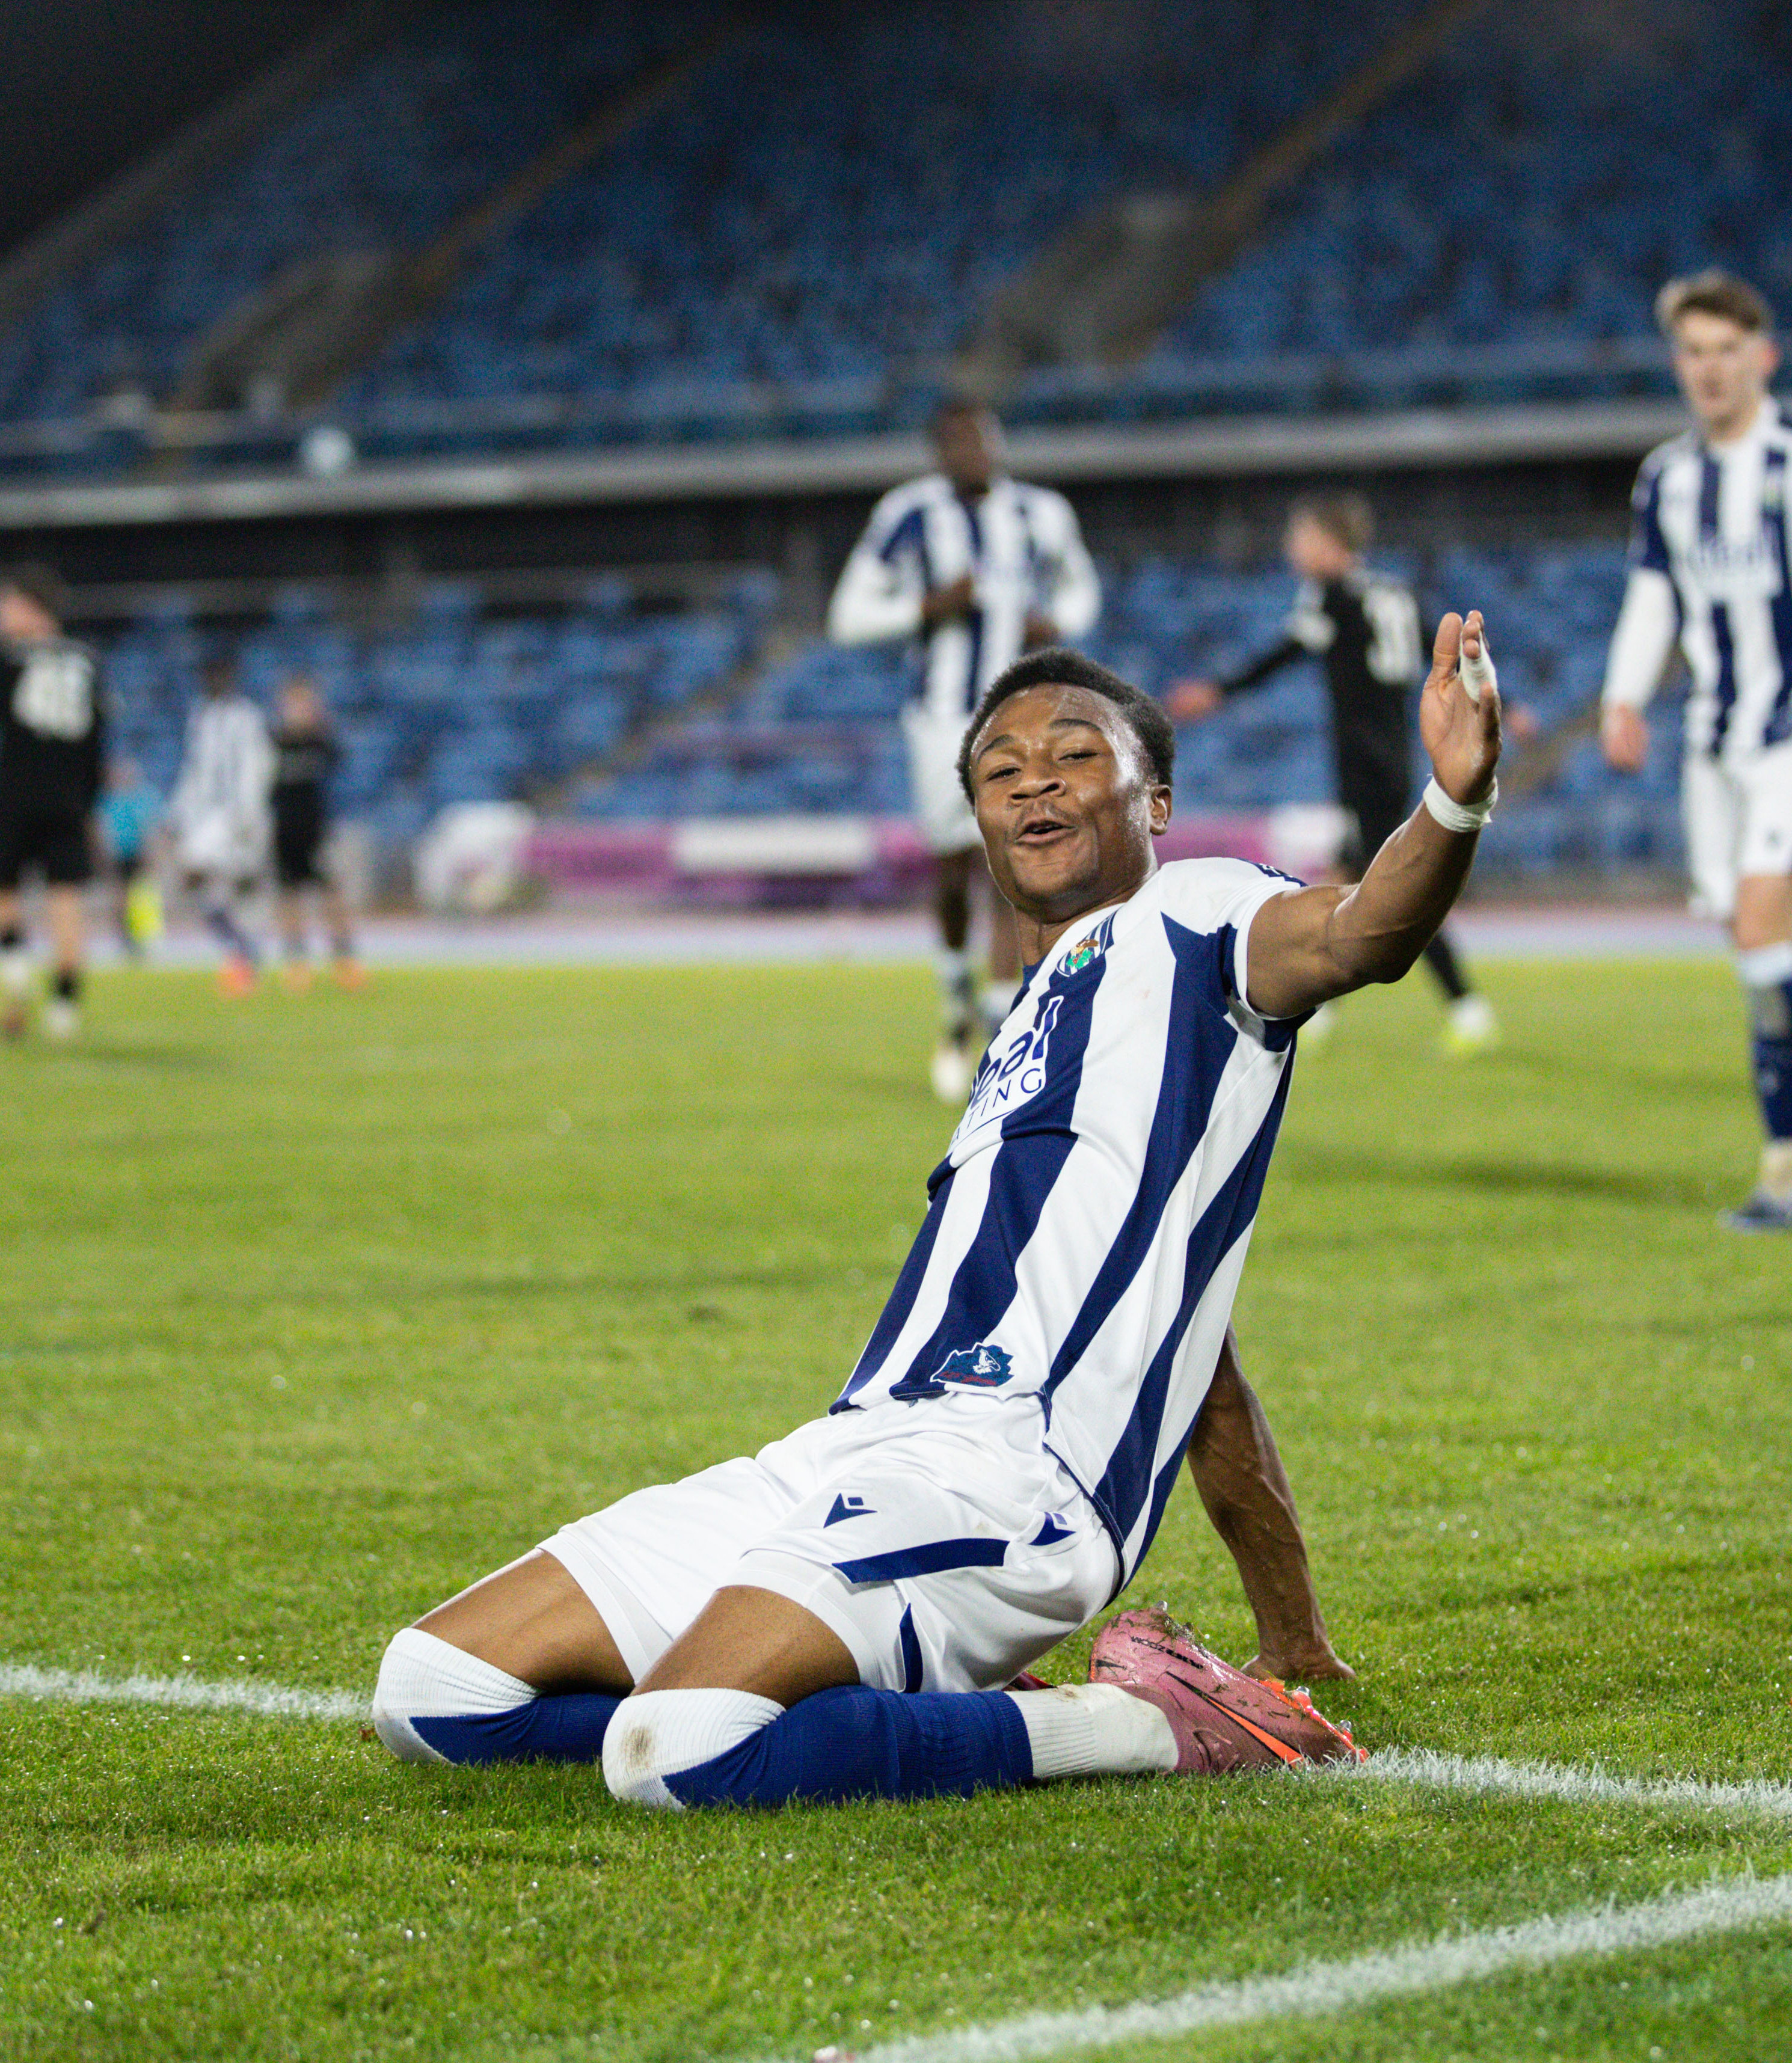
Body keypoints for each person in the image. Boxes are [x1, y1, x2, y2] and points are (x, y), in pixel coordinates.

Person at [371, 618, 1507, 1810]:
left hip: (1011, 1476)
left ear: (1156, 800)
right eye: (1000, 769)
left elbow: (1362, 928)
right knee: (433, 1688)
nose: (1034, 781)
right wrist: (1294, 1634)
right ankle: (901, 1699)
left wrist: (1451, 800)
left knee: (683, 1749)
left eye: (1074, 754)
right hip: (846, 1446)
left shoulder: (1197, 921)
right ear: (978, 820)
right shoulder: (1025, 1028)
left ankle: (1139, 1724)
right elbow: (1197, 1361)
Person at [1597, 272, 1792, 1231]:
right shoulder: (1667, 477)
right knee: (1755, 945)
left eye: (1726, 350)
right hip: (1714, 747)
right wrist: (1621, 694)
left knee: (1757, 922)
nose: (1709, 369)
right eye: (1692, 352)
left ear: (1762, 357)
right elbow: (1653, 596)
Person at [1168, 492, 1510, 1056]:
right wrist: (1509, 703)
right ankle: (1318, 1006)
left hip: (1364, 762)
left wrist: (1218, 691)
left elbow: (1284, 653)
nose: (1292, 548)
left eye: (1300, 537)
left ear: (1329, 544)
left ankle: (1467, 1008)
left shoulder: (1332, 596)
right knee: (1343, 879)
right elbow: (1443, 648)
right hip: (1393, 753)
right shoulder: (1392, 590)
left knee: (1400, 889)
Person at [827, 401, 1100, 1102]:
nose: (972, 450)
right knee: (953, 871)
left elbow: (1082, 590)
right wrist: (923, 608)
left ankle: (1003, 1026)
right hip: (942, 719)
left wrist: (1058, 622)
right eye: (955, 440)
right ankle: (956, 1003)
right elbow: (847, 617)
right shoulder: (908, 514)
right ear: (937, 452)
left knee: (1014, 860)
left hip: (1026, 716)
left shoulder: (1041, 513)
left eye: (980, 435)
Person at [0, 566, 106, 1041]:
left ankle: (15, 993)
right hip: (69, 800)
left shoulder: (5, 659)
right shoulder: (88, 661)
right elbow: (96, 745)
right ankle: (64, 1010)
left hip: (16, 794)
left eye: (6, 605)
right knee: (66, 901)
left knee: (2, 894)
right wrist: (91, 805)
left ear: (31, 608)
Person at [169, 655, 273, 996]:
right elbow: (193, 769)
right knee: (209, 887)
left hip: (232, 814)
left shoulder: (247, 716)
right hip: (203, 815)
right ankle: (243, 953)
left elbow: (257, 765)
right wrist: (179, 813)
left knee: (202, 873)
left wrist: (249, 812)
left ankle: (242, 953)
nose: (214, 682)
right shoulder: (200, 716)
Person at [267, 674, 361, 991]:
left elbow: (341, 762)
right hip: (283, 828)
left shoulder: (321, 739)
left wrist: (322, 726)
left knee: (331, 893)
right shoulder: (272, 740)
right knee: (289, 895)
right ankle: (297, 963)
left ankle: (345, 961)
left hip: (317, 828)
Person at [97, 758, 164, 960]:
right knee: (120, 898)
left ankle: (145, 937)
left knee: (142, 896)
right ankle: (126, 938)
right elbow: (103, 827)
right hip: (119, 855)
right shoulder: (109, 798)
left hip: (138, 855)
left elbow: (152, 827)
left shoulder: (144, 796)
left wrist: (152, 853)